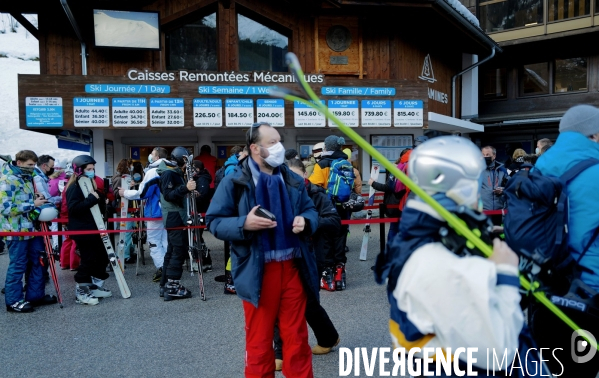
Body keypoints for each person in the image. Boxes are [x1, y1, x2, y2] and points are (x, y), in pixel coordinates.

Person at [375, 136, 534, 375]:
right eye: (474, 184)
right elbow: (498, 354)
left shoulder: (423, 237)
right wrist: (506, 274)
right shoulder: (434, 260)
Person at [206, 122, 319, 378]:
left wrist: (306, 220)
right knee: (258, 343)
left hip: (293, 268)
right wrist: (243, 223)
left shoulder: (292, 179)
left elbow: (311, 210)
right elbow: (213, 221)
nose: (279, 148)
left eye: (279, 141)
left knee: (298, 339)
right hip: (257, 271)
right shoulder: (234, 181)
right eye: (272, 143)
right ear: (255, 148)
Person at [531, 104, 599, 375]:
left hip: (546, 286)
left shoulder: (540, 167)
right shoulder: (595, 170)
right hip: (590, 290)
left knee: (560, 367)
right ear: (593, 134)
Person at [273, 158, 340, 370]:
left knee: (310, 303)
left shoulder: (316, 193)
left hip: (311, 255)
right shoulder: (277, 192)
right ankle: (280, 352)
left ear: (304, 175)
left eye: (295, 176)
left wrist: (309, 222)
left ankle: (328, 338)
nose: (291, 181)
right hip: (283, 255)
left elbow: (333, 220)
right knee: (280, 303)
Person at [1, 150, 57, 312]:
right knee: (18, 265)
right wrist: (33, 205)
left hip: (32, 227)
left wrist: (36, 199)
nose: (32, 168)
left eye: (33, 165)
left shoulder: (26, 178)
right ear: (19, 163)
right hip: (16, 230)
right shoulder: (8, 180)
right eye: (29, 165)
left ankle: (35, 295)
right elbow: (4, 208)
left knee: (38, 261)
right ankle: (13, 301)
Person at [65, 155, 113, 305]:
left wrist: (102, 200)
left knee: (101, 257)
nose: (92, 172)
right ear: (79, 170)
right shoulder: (74, 187)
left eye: (93, 169)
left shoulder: (89, 185)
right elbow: (74, 209)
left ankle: (93, 285)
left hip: (94, 228)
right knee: (88, 259)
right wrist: (92, 199)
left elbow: (94, 206)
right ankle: (81, 289)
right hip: (83, 230)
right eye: (89, 169)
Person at [309, 135, 353, 290]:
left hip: (327, 209)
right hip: (344, 209)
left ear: (326, 147)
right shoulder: (346, 163)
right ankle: (339, 273)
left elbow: (314, 187)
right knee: (340, 240)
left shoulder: (321, 164)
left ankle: (328, 278)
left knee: (326, 241)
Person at [120, 148, 169, 282]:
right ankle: (169, 266)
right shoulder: (172, 168)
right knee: (166, 241)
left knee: (154, 241)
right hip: (170, 211)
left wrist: (125, 193)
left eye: (152, 154)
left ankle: (162, 268)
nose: (150, 156)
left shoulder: (153, 171)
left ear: (157, 156)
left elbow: (142, 193)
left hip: (155, 212)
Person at [157, 147, 196, 301]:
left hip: (176, 215)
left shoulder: (175, 172)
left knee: (172, 249)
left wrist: (187, 190)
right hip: (174, 216)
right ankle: (172, 285)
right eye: (186, 160)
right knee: (178, 250)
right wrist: (185, 188)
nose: (187, 164)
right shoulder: (168, 173)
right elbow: (169, 195)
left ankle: (165, 284)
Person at [368, 149, 411, 246]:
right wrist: (373, 184)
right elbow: (389, 187)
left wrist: (373, 183)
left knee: (395, 227)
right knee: (398, 227)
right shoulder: (399, 169)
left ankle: (391, 249)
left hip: (397, 203)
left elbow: (388, 187)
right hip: (400, 203)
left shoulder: (397, 168)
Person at [111, 159, 135, 264]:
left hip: (127, 208)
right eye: (130, 165)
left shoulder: (124, 177)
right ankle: (125, 255)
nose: (132, 167)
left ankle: (128, 252)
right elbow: (116, 193)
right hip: (124, 208)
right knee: (126, 232)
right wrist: (129, 188)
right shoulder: (119, 178)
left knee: (128, 232)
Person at [192, 159, 213, 272]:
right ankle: (203, 261)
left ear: (197, 169)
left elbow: (203, 196)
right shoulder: (198, 179)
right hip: (198, 211)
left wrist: (194, 196)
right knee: (197, 238)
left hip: (200, 211)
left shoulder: (202, 179)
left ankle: (205, 261)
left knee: (197, 238)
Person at [480, 145, 508, 212]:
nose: (485, 157)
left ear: (494, 156)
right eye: (483, 155)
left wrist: (502, 191)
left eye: (487, 155)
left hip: (499, 210)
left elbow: (509, 187)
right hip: (483, 211)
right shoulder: (477, 171)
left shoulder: (502, 171)